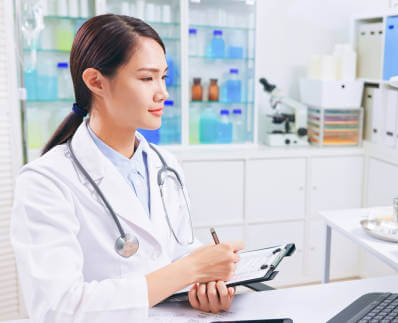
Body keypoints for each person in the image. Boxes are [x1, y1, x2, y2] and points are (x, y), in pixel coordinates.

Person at [10, 14, 245, 321]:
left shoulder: (166, 166)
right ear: (96, 81)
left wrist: (207, 283)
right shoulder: (45, 182)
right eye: (147, 78)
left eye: (164, 76)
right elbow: (59, 308)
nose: (163, 92)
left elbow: (176, 252)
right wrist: (191, 269)